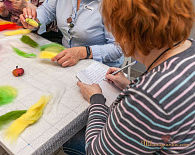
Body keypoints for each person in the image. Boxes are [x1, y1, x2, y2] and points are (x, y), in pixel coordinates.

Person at [64, 0, 195, 154]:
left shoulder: (147, 97)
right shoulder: (189, 46)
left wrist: (97, 100)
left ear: (130, 32)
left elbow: (96, 151)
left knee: (70, 137)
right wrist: (129, 85)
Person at [20, 0, 124, 67]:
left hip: (102, 66)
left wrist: (83, 52)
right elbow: (47, 10)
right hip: (68, 60)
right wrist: (35, 19)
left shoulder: (113, 4)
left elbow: (118, 48)